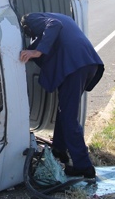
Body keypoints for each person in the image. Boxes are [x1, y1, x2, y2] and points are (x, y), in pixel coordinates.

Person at [19, 12, 104, 179]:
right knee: (64, 110)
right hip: (86, 64)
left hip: (74, 66)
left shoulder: (31, 18)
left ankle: (84, 166)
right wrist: (33, 50)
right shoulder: (63, 17)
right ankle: (59, 149)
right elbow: (51, 38)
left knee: (69, 117)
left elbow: (54, 25)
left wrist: (37, 52)